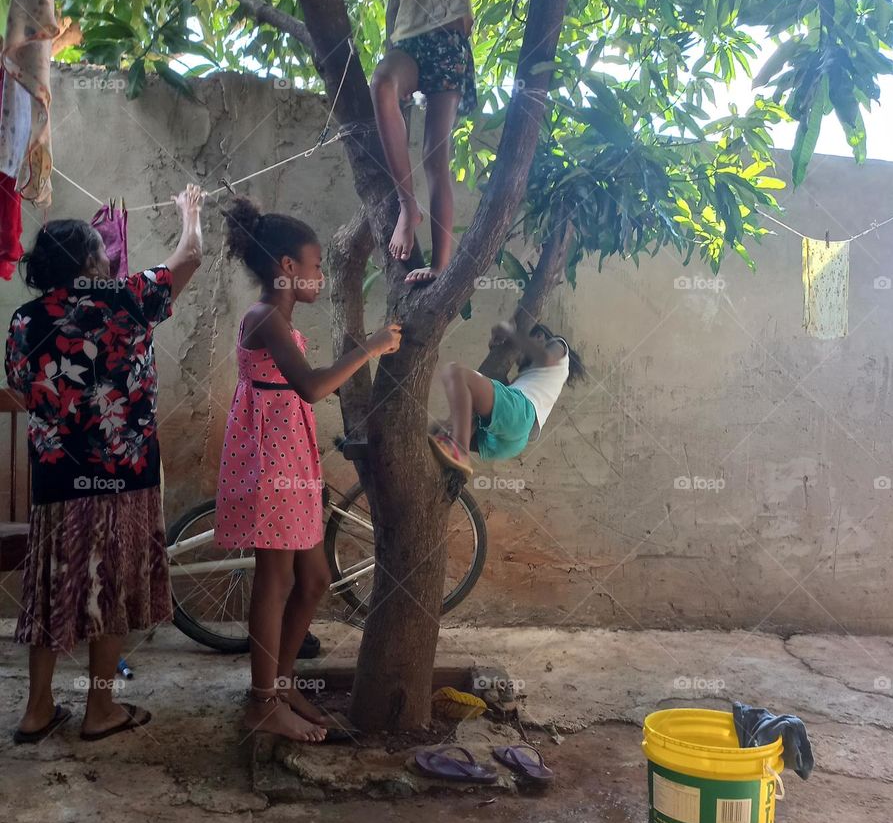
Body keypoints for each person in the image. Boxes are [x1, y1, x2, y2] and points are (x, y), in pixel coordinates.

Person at [295, 0, 557, 285]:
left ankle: (438, 266)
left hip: (449, 45)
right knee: (382, 84)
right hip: (410, 46)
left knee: (438, 157)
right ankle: (406, 204)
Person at [5, 185, 204, 743]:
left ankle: (36, 711)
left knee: (52, 587)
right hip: (123, 476)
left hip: (56, 479)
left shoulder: (24, 320)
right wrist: (190, 212)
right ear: (92, 261)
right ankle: (100, 710)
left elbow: (21, 388)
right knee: (110, 586)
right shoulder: (126, 299)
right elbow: (190, 255)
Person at [213, 197, 401, 743]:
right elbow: (311, 387)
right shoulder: (264, 317)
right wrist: (369, 348)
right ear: (287, 267)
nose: (320, 276)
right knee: (275, 580)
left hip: (292, 459)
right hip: (270, 462)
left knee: (314, 578)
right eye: (315, 266)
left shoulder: (280, 321)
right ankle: (261, 703)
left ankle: (282, 681)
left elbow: (299, 387)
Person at [429, 319, 586, 476]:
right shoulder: (531, 379)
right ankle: (454, 458)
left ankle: (459, 449)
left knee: (455, 372)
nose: (517, 360)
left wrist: (510, 332)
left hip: (520, 415)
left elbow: (546, 358)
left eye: (518, 352)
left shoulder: (558, 344)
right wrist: (495, 351)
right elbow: (497, 395)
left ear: (539, 336)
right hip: (512, 439)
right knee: (438, 430)